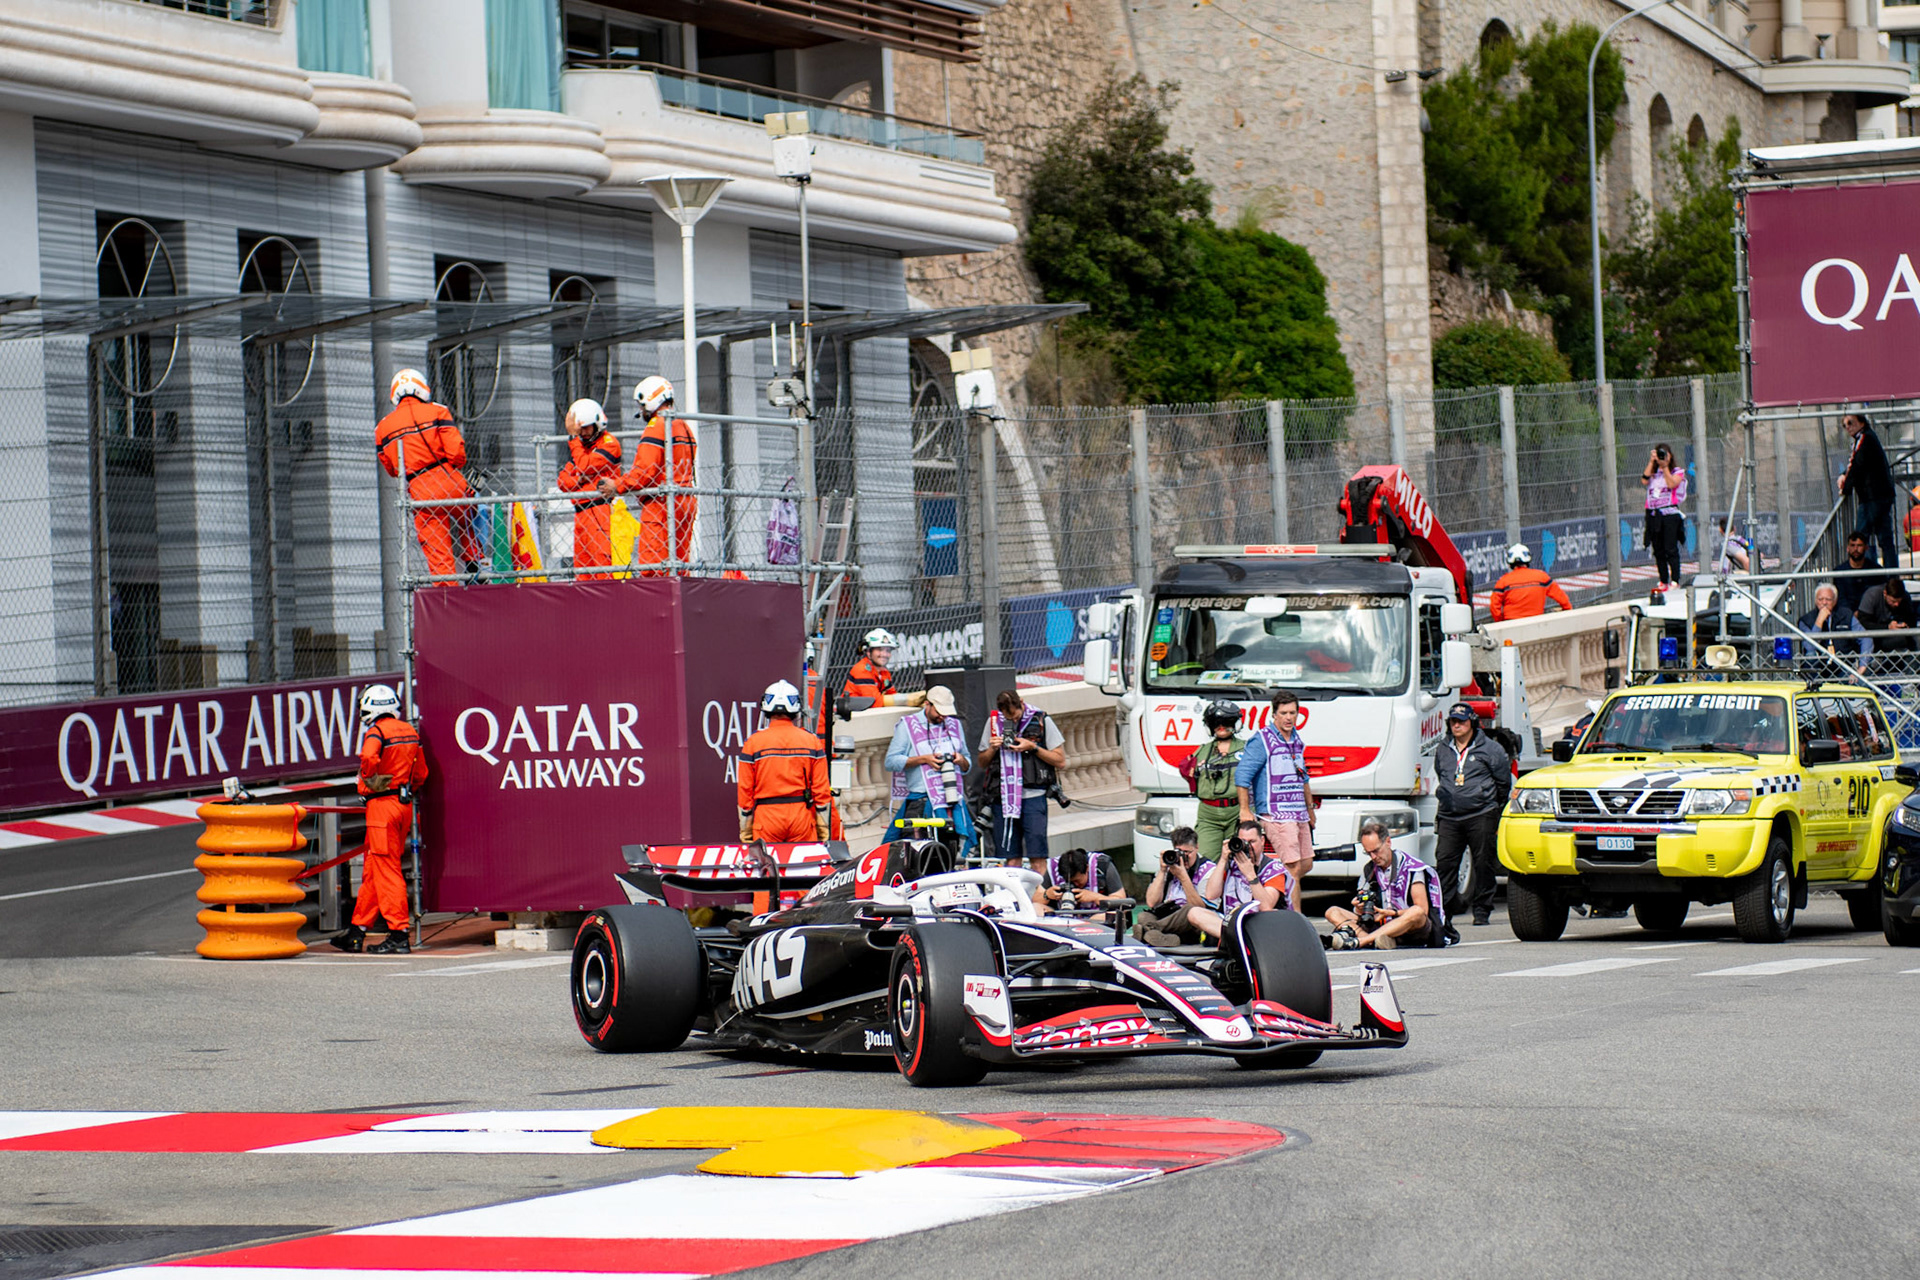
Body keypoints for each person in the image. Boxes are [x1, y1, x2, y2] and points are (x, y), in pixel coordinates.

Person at [331, 683, 427, 955]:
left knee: (387, 872)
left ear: (370, 707)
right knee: (374, 870)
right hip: (404, 805)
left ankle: (398, 934)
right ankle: (356, 932)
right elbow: (421, 773)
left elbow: (369, 757)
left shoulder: (376, 732)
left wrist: (367, 782)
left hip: (382, 808)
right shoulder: (410, 731)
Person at [375, 369, 481, 583]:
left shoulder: (383, 428)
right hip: (448, 478)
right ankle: (473, 559)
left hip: (420, 490)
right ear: (421, 387)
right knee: (470, 512)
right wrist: (455, 466)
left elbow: (392, 469)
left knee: (437, 551)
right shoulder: (438, 411)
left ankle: (446, 594)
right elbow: (456, 453)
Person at [601, 376, 696, 576]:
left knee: (652, 566)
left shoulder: (657, 426)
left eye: (642, 405)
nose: (641, 411)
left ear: (652, 399)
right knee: (679, 563)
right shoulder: (683, 426)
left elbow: (644, 471)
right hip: (685, 499)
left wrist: (616, 485)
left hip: (661, 503)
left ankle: (656, 604)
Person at [1234, 689, 1317, 910]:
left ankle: (1274, 893)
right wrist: (1245, 809)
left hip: (1298, 811)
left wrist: (1310, 809)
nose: (1289, 717)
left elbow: (1303, 775)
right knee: (1292, 866)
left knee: (1306, 863)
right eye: (1284, 713)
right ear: (1275, 714)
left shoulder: (1296, 739)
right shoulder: (1262, 739)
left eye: (1293, 712)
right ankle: (1295, 918)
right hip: (1276, 812)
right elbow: (1242, 775)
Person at [1432, 702, 1511, 926]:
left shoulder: (1490, 749)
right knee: (1445, 863)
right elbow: (1442, 773)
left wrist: (1494, 809)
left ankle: (1482, 909)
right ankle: (1444, 910)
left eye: (1461, 722)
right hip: (1449, 815)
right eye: (1453, 722)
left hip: (1481, 813)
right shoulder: (1443, 748)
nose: (1457, 726)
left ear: (1472, 723)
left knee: (1483, 863)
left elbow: (1502, 782)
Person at [1323, 820, 1445, 950]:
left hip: (1410, 927)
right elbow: (1363, 912)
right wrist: (1359, 907)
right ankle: (1377, 941)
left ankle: (1362, 941)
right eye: (1368, 853)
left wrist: (1392, 913)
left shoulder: (1412, 868)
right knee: (1332, 911)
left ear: (1388, 842)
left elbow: (1422, 910)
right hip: (1379, 923)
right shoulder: (1369, 870)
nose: (1374, 857)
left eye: (1376, 850)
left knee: (1416, 912)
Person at [977, 689, 1066, 865]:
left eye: (1016, 717)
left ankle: (1040, 893)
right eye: (1009, 719)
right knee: (1010, 859)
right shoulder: (994, 723)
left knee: (1038, 857)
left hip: (1033, 798)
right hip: (1003, 799)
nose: (1014, 722)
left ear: (1022, 703)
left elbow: (1060, 760)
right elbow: (981, 762)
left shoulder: (1041, 720)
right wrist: (992, 748)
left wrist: (1032, 747)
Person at [735, 680, 831, 844]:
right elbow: (821, 790)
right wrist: (823, 828)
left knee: (767, 867)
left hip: (766, 819)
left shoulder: (753, 743)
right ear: (796, 708)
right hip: (801, 817)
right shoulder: (811, 741)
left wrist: (746, 829)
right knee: (804, 868)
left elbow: (745, 791)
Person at [883, 684, 971, 839]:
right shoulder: (908, 725)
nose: (943, 717)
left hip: (952, 800)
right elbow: (891, 762)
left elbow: (967, 764)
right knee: (914, 851)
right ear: (927, 704)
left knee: (949, 852)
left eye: (946, 712)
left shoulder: (954, 724)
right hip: (921, 799)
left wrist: (961, 760)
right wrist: (924, 759)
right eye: (939, 711)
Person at [1184, 818, 1293, 939]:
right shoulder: (1231, 864)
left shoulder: (1273, 868)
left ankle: (1236, 938)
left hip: (1259, 924)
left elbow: (1266, 906)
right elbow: (1210, 894)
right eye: (1243, 842)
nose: (1248, 846)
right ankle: (1237, 938)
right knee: (1194, 913)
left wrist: (1250, 875)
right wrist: (1223, 859)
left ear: (1262, 841)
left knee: (1273, 914)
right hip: (1231, 922)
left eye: (1252, 841)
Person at [555, 397, 622, 579]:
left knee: (602, 569)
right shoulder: (582, 449)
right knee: (582, 572)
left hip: (600, 511)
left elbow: (583, 466)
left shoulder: (609, 444)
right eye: (579, 429)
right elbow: (563, 482)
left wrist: (574, 442)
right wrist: (581, 476)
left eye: (585, 427)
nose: (582, 433)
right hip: (581, 514)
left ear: (597, 423)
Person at [1180, 700, 1247, 865]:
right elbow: (1188, 773)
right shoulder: (1202, 751)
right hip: (1208, 815)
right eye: (1216, 723)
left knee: (1241, 861)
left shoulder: (1247, 749)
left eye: (1227, 722)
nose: (1221, 727)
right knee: (1205, 863)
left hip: (1237, 812)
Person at [1839, 411, 1898, 568]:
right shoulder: (1864, 439)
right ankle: (1890, 575)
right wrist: (1844, 476)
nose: (1848, 428)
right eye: (1845, 425)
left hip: (1873, 497)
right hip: (1877, 496)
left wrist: (1846, 487)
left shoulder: (1865, 438)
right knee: (1884, 538)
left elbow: (1858, 464)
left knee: (1860, 538)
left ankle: (1869, 572)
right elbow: (1856, 463)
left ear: (1861, 422)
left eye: (1850, 423)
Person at [1135, 827, 1207, 945]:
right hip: (1168, 915)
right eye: (1180, 852)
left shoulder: (1207, 869)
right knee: (1143, 916)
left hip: (1189, 921)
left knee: (1191, 910)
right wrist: (1163, 871)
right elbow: (1151, 902)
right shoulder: (1171, 862)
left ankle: (1150, 929)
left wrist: (1183, 877)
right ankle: (1169, 939)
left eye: (1187, 852)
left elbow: (1200, 908)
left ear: (1197, 847)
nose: (1184, 857)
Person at [1640, 443, 1687, 590]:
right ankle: (1663, 580)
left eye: (1664, 454)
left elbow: (1672, 484)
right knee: (1658, 549)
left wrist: (1665, 466)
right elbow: (1644, 480)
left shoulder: (1677, 471)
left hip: (1669, 514)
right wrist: (1652, 462)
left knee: (1670, 548)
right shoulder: (1653, 473)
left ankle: (1675, 580)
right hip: (1654, 514)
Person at [841, 629, 924, 709]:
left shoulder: (884, 671)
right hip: (853, 715)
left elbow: (892, 694)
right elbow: (874, 702)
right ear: (868, 652)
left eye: (888, 650)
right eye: (879, 650)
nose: (884, 654)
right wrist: (909, 699)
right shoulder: (862, 670)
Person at [1488, 543, 1572, 621]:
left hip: (1511, 623)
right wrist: (1567, 609)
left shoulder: (1503, 582)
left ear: (1509, 563)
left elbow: (1494, 606)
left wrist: (1501, 622)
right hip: (1536, 622)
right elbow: (1562, 598)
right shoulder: (1542, 577)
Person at [1035, 847, 1126, 917]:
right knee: (1035, 908)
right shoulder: (1053, 868)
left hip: (1095, 919)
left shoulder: (1102, 865)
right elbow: (1035, 900)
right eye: (1069, 882)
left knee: (1113, 914)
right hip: (1061, 918)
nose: (1075, 885)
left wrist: (1095, 897)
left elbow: (1123, 903)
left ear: (1087, 868)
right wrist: (1047, 895)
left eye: (1077, 881)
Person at [1796, 582, 1862, 659]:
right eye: (1820, 599)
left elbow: (1865, 638)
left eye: (1828, 599)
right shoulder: (1805, 620)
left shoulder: (1846, 614)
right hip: (1817, 665)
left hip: (1844, 663)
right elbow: (1810, 647)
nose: (1824, 603)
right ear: (1815, 600)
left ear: (1835, 600)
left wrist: (1863, 665)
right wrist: (1819, 622)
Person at [1856, 576, 1918, 654]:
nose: (1896, 604)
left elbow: (1911, 619)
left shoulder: (1905, 597)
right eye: (1893, 601)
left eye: (1899, 601)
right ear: (1885, 593)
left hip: (1899, 637)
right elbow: (1863, 622)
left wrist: (1905, 625)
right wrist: (1888, 627)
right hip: (1875, 637)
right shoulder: (1872, 595)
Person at [1835, 532, 1885, 616]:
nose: (1855, 549)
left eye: (1859, 545)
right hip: (1847, 615)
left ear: (1866, 548)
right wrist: (1851, 614)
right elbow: (1840, 598)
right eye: (1852, 545)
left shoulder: (1876, 570)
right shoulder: (1839, 571)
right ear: (1847, 548)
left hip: (1871, 614)